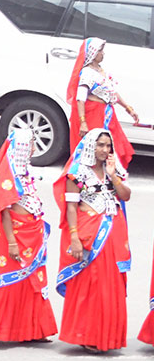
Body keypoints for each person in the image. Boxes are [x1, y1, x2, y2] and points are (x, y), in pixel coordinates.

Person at [0, 127, 57, 345]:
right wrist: (13, 242)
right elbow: (4, 211)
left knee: (30, 282)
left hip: (33, 234)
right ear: (23, 147)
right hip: (16, 236)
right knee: (5, 282)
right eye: (31, 143)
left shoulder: (26, 172)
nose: (34, 147)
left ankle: (32, 329)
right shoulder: (8, 176)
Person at [54, 128, 131, 353]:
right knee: (90, 284)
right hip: (89, 232)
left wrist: (113, 173)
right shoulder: (76, 172)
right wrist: (75, 237)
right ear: (90, 146)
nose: (105, 150)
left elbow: (125, 196)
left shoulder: (113, 169)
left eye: (108, 146)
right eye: (100, 145)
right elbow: (70, 207)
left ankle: (108, 335)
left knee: (110, 284)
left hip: (112, 233)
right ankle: (87, 334)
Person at [66, 37, 139, 168]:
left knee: (114, 146)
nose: (102, 53)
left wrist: (128, 108)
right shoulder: (87, 73)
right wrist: (83, 122)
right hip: (94, 115)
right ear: (93, 53)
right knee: (95, 148)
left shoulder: (101, 71)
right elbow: (80, 99)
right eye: (100, 50)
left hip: (107, 114)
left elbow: (112, 92)